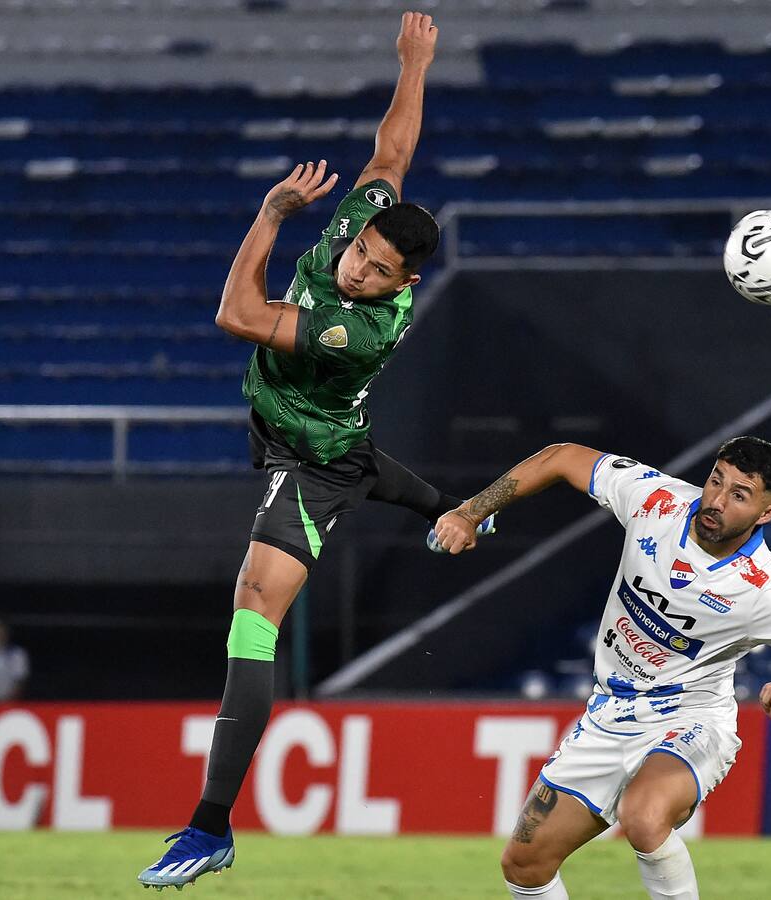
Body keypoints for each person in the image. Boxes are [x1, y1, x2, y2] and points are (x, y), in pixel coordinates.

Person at [138, 11, 493, 889]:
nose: (356, 271)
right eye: (360, 255)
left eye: (377, 272)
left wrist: (269, 215)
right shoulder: (367, 223)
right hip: (309, 433)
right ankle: (448, 508)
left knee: (253, 611)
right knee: (358, 454)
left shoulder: (358, 327)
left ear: (404, 286)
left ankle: (210, 826)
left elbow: (237, 317)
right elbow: (393, 154)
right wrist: (414, 65)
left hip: (307, 460)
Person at [433, 437, 771, 900]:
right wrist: (471, 510)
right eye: (715, 480)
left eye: (739, 494)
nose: (716, 500)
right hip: (609, 713)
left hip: (690, 718)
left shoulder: (764, 589)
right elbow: (560, 457)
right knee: (524, 864)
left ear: (765, 514)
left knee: (644, 816)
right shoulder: (655, 502)